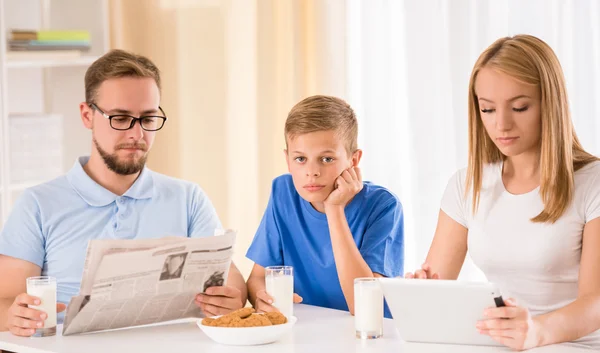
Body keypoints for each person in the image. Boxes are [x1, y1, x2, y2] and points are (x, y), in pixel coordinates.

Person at [0, 49, 247, 337]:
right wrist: (13, 315)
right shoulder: (38, 204)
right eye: (120, 118)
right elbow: (4, 302)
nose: (136, 135)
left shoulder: (188, 198)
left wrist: (232, 299)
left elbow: (231, 282)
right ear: (87, 115)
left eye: (148, 118)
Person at [405, 35, 600, 350]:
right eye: (488, 109)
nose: (502, 125)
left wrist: (537, 331)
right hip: (503, 345)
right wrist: (423, 292)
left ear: (551, 103)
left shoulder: (593, 183)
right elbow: (438, 283)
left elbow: (596, 302)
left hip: (576, 345)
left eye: (519, 107)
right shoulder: (466, 185)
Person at [245, 95, 404, 317]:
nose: (312, 171)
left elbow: (365, 308)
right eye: (300, 159)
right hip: (305, 331)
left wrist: (335, 209)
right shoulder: (283, 192)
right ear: (287, 160)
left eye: (327, 159)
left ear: (353, 160)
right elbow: (258, 278)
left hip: (363, 335)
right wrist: (262, 299)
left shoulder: (383, 206)